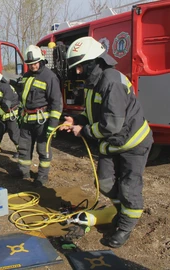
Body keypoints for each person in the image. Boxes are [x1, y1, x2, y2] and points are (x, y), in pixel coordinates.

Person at [61, 36, 153, 248]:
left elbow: (112, 124)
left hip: (133, 144)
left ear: (94, 61)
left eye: (81, 67)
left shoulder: (111, 81)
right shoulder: (93, 83)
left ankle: (125, 226)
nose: (77, 72)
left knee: (129, 187)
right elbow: (94, 114)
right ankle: (121, 211)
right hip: (112, 144)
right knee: (105, 183)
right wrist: (76, 119)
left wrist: (82, 130)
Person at [16, 45, 63, 187]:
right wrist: (19, 113)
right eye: (30, 64)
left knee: (43, 150)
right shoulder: (26, 76)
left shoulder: (50, 77)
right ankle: (23, 172)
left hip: (42, 122)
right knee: (24, 148)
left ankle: (42, 177)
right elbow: (21, 97)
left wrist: (53, 125)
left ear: (41, 60)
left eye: (35, 63)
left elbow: (57, 103)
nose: (33, 66)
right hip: (26, 120)